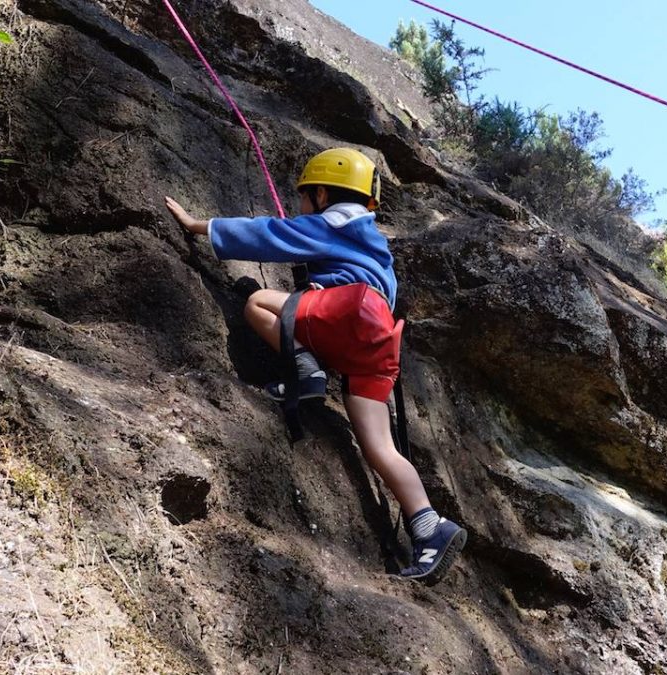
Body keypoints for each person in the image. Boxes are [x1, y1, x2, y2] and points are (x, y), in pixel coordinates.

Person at [164, 147, 466, 583]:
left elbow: (272, 234)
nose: (301, 206)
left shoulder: (336, 220)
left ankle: (306, 372)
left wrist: (202, 226)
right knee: (379, 446)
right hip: (378, 344)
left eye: (304, 197)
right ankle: (429, 526)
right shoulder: (374, 240)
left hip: (348, 315)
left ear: (323, 193)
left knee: (259, 303)